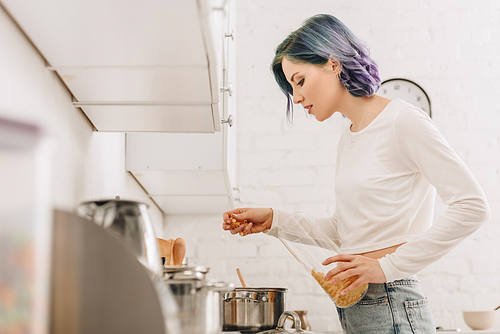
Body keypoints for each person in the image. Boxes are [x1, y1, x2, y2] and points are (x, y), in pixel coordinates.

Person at [222, 14, 490, 333]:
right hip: (359, 307)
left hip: (391, 302)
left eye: (300, 80)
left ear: (333, 64)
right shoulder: (350, 135)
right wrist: (273, 220)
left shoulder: (403, 121)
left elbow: (473, 206)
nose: (295, 98)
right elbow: (345, 231)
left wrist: (386, 267)